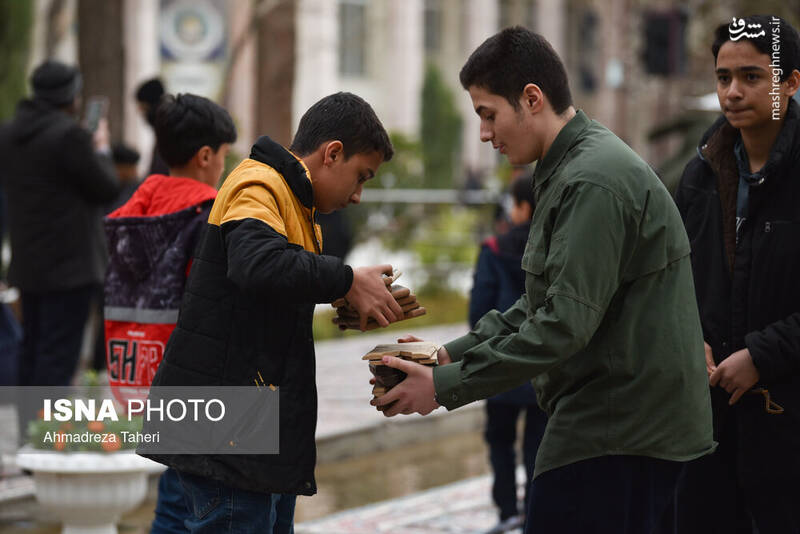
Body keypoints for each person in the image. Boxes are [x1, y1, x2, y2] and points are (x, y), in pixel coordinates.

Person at [372, 27, 715, 534]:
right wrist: (447, 356)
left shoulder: (592, 179)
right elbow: (539, 302)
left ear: (531, 99)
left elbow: (562, 324)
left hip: (620, 429)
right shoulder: (568, 169)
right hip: (612, 422)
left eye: (489, 114)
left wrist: (444, 387)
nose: (485, 134)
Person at [141, 92, 403, 533]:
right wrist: (347, 279)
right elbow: (255, 264)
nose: (358, 195)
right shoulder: (258, 184)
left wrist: (344, 300)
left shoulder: (294, 201)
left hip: (251, 432)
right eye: (361, 177)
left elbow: (270, 291)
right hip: (228, 435)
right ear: (332, 153)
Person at [664, 15, 800, 534]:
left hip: (787, 422)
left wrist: (762, 356)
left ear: (789, 83)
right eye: (723, 78)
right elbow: (670, 276)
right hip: (707, 421)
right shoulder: (701, 171)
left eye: (752, 77)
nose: (734, 92)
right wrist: (688, 338)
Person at [103, 93, 236, 534]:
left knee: (175, 490)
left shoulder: (136, 210)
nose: (223, 166)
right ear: (204, 156)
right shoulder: (208, 216)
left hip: (140, 365)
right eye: (222, 157)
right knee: (193, 499)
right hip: (192, 374)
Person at [0, 60, 119, 387]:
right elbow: (106, 187)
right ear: (70, 96)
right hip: (71, 270)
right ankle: (47, 436)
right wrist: (102, 147)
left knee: (31, 349)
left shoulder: (8, 134)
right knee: (57, 356)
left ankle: (29, 433)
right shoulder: (71, 138)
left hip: (28, 265)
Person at [470, 174, 546, 534]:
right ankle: (533, 512)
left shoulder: (493, 250)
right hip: (541, 368)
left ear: (523, 207)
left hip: (499, 366)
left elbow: (479, 310)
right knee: (537, 445)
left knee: (500, 441)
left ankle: (506, 511)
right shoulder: (551, 250)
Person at [136, 77, 170, 176]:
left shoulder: (166, 128)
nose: (140, 112)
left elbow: (159, 171)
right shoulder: (164, 125)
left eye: (143, 107)